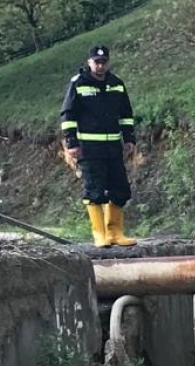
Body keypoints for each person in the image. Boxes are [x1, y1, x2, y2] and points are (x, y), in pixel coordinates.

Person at [60, 45, 137, 247]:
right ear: (89, 63)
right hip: (89, 147)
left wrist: (129, 139)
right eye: (97, 62)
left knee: (120, 190)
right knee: (94, 191)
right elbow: (68, 115)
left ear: (108, 63)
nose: (100, 66)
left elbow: (126, 114)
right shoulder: (79, 84)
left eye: (104, 62)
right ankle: (99, 234)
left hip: (113, 147)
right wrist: (71, 143)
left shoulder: (117, 84)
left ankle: (115, 233)